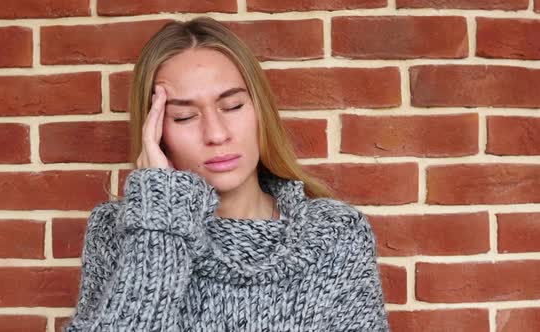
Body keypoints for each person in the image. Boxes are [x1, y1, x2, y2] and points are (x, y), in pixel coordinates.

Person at [63, 16, 390, 331]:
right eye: (184, 116)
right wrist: (158, 223)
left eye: (232, 107)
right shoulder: (120, 230)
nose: (216, 134)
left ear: (260, 110)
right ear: (157, 133)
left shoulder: (334, 234)